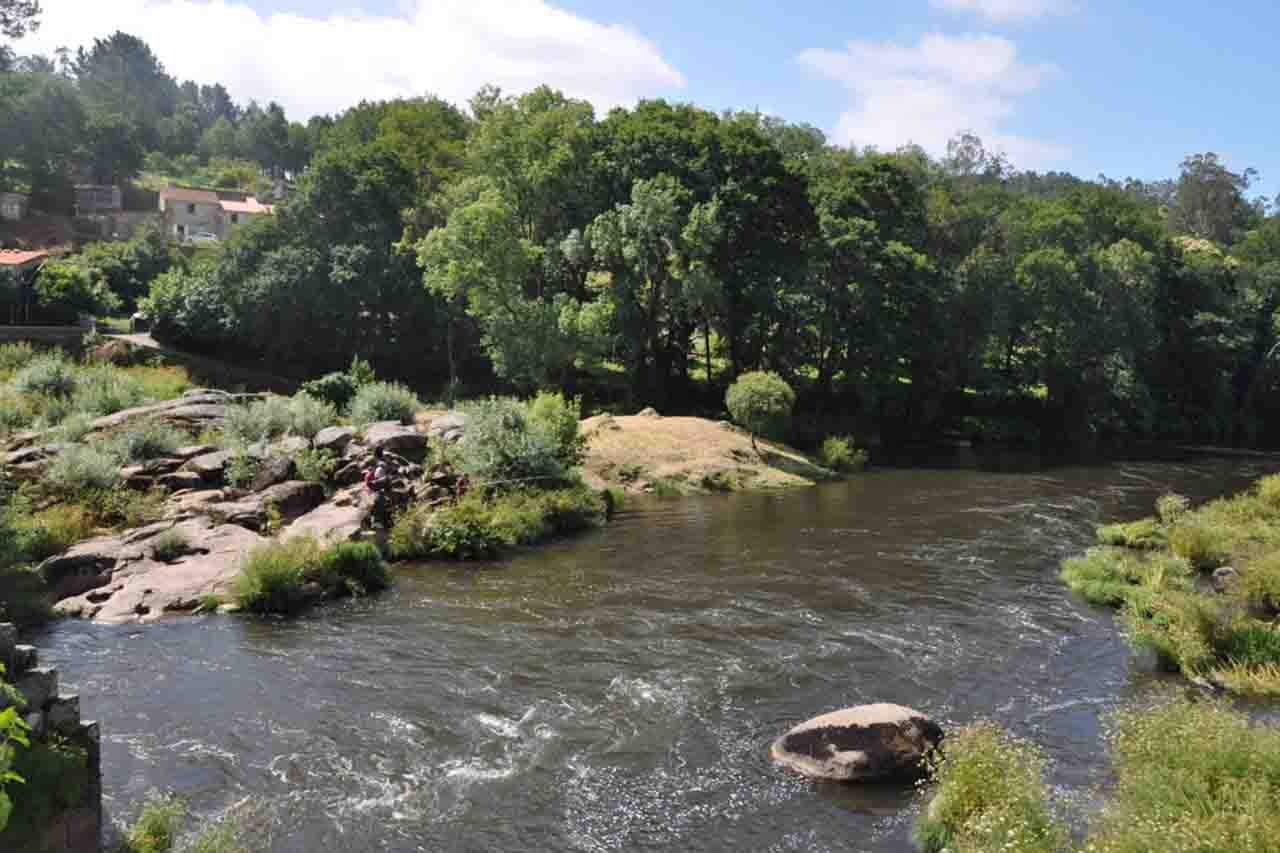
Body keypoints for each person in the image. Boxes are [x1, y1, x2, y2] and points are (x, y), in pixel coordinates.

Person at [364, 448, 394, 526]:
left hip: (382, 487)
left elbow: (379, 478)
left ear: (375, 456)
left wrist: (373, 483)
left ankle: (381, 521)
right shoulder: (384, 462)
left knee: (379, 502)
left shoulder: (380, 465)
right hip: (385, 485)